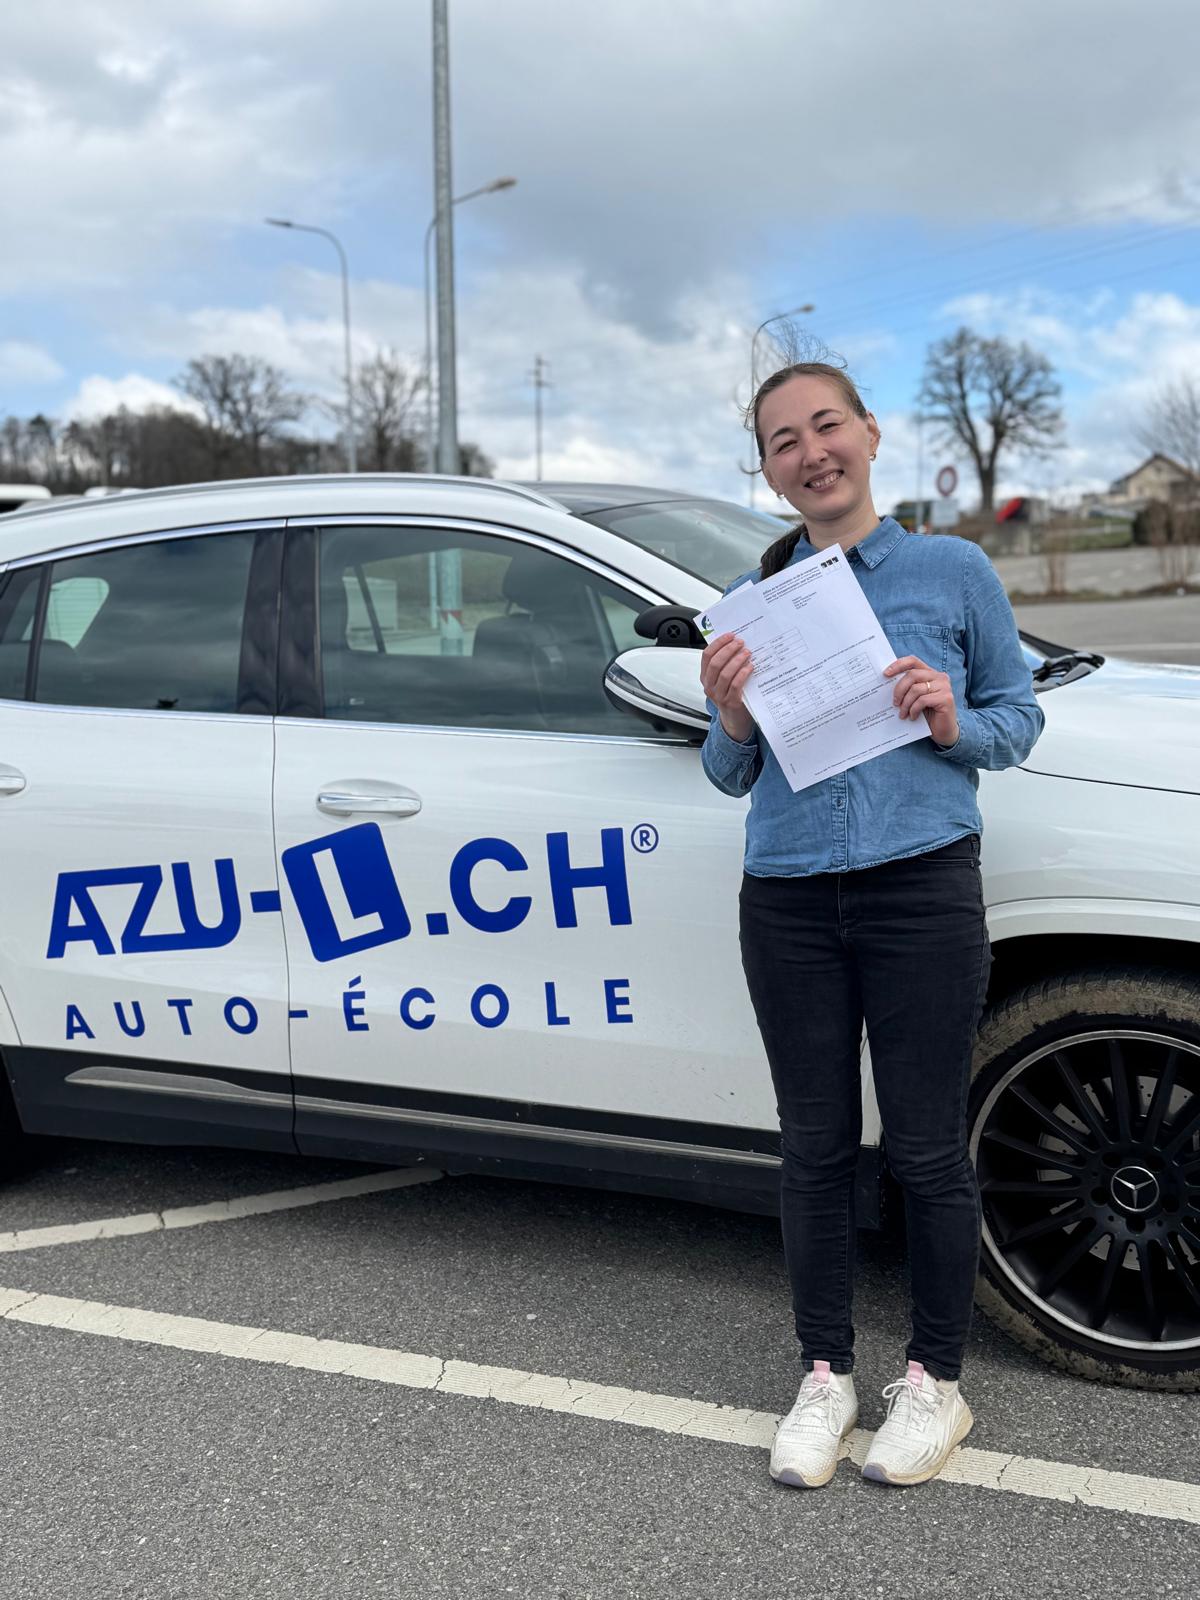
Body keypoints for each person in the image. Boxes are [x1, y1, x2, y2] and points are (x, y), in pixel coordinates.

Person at [699, 360, 1044, 1489]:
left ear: (870, 433)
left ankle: (934, 1383)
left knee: (929, 1148)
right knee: (811, 1149)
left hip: (920, 887)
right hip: (789, 895)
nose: (810, 452)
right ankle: (823, 1373)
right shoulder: (760, 599)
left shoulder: (952, 569)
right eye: (783, 440)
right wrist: (730, 713)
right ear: (768, 469)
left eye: (825, 425)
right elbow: (726, 772)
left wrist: (953, 719)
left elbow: (1017, 716)